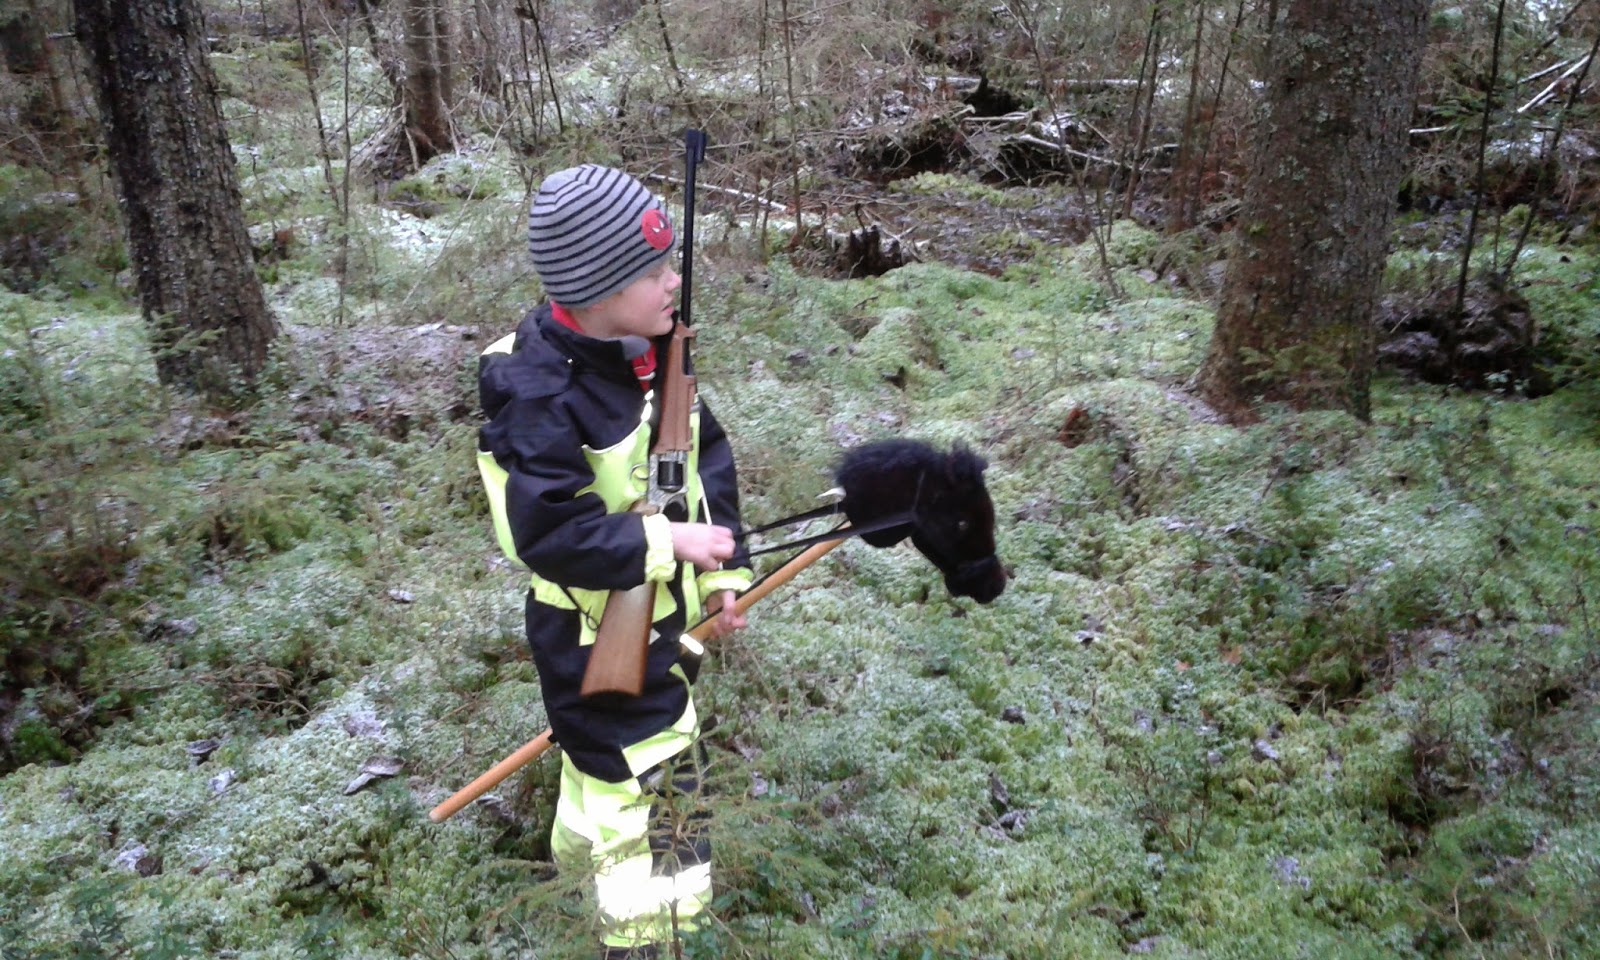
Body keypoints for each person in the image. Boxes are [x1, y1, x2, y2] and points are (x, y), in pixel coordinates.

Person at [476, 164, 753, 958]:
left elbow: (702, 463)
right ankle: (654, 936)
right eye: (656, 272)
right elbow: (550, 534)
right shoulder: (531, 392)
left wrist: (720, 574)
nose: (676, 283)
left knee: (600, 760)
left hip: (656, 612)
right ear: (598, 290)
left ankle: (569, 872)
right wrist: (670, 544)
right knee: (658, 784)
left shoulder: (650, 354)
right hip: (587, 626)